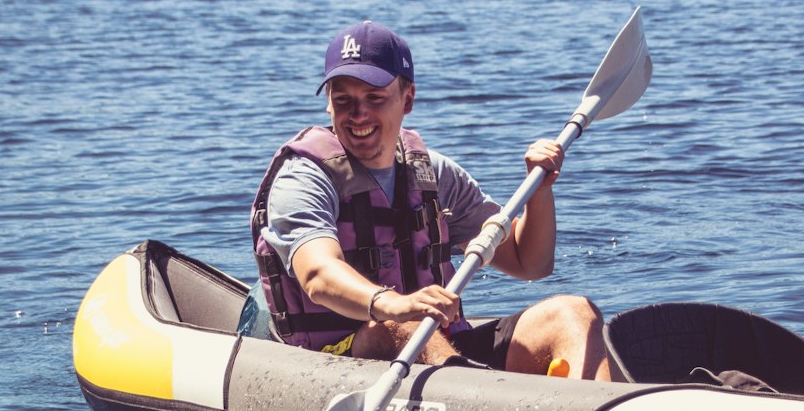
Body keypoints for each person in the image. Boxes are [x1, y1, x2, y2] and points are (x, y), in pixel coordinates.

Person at [244, 20, 611, 380]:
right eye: (344, 100)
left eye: (374, 98)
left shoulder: (432, 174)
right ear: (328, 104)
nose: (358, 115)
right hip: (339, 358)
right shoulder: (304, 178)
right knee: (396, 328)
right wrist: (393, 304)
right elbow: (317, 274)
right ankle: (480, 404)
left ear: (408, 99)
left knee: (574, 314)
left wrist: (540, 193)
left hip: (440, 346)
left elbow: (528, 262)